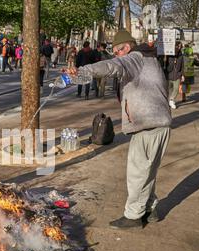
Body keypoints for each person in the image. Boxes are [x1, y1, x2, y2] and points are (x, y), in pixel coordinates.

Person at [67, 30, 172, 229]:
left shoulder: (134, 58)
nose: (116, 55)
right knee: (146, 171)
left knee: (137, 172)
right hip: (157, 123)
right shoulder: (148, 58)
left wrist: (84, 71)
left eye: (118, 51)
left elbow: (113, 66)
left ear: (127, 47)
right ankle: (150, 209)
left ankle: (133, 216)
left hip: (148, 124)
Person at [165, 41, 184, 109]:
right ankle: (169, 101)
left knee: (176, 89)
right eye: (178, 46)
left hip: (177, 75)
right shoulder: (169, 55)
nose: (179, 47)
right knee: (169, 89)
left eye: (180, 46)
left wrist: (182, 74)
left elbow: (182, 66)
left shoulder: (181, 55)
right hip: (169, 74)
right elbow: (166, 64)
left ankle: (172, 100)